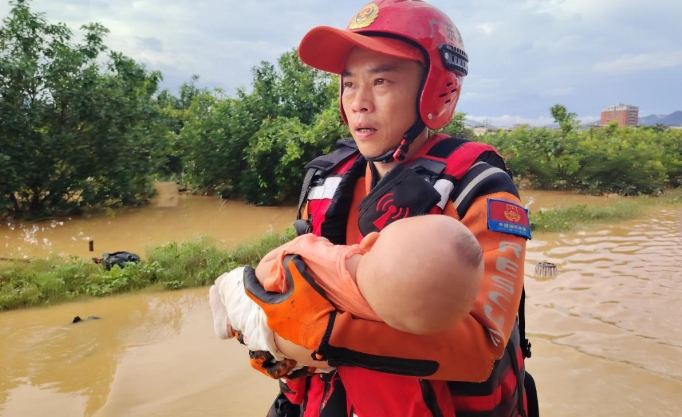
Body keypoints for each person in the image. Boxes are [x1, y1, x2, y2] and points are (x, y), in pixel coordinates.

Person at [210, 1, 538, 416]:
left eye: (381, 81)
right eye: (349, 84)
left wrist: (319, 333)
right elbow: (299, 286)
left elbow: (481, 352)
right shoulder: (328, 178)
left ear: (436, 89)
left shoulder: (481, 189)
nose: (359, 102)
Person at [211, 215, 484, 357]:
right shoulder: (383, 320)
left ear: (369, 242)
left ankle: (222, 307)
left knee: (232, 281)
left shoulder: (321, 255)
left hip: (263, 320)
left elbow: (269, 269)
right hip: (310, 351)